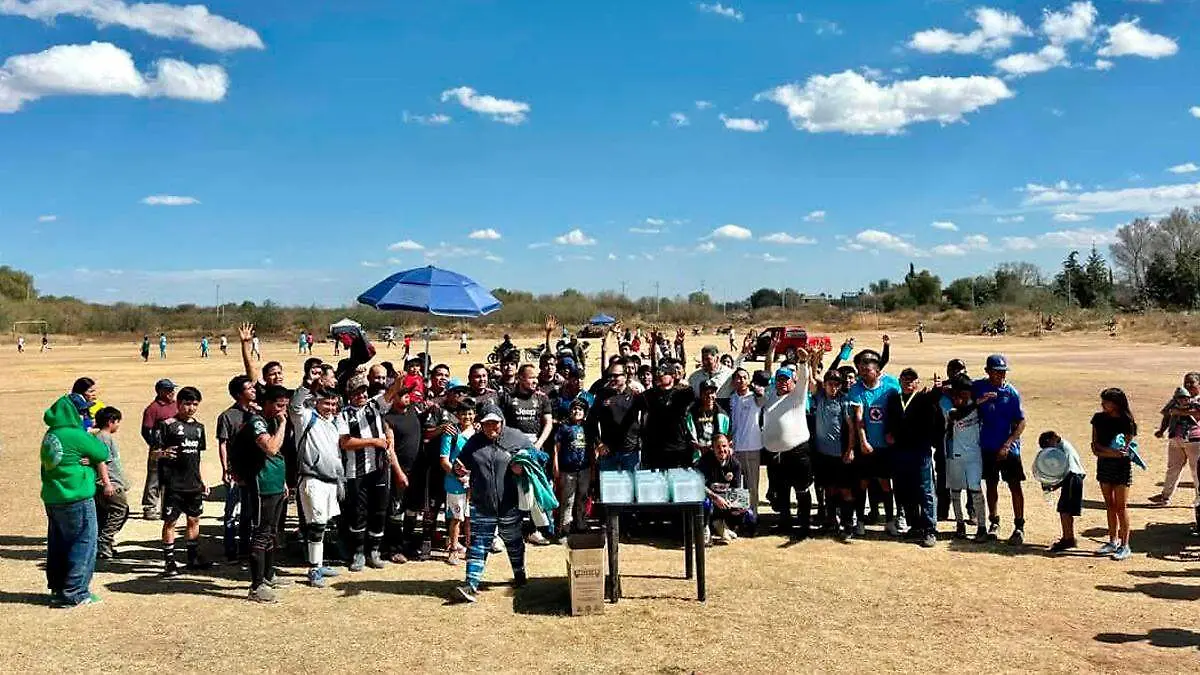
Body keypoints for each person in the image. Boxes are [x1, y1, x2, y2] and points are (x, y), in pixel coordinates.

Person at [452, 405, 530, 604]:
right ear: (482, 424)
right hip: (482, 503)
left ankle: (519, 574)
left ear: (502, 422)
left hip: (509, 504)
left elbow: (538, 459)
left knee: (513, 542)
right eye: (487, 423)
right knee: (478, 544)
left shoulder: (516, 437)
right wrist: (458, 470)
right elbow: (460, 464)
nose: (491, 427)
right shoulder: (474, 442)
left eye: (495, 423)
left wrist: (523, 468)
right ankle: (471, 584)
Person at [41, 394, 110, 607]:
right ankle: (76, 592)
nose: (86, 415)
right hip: (77, 496)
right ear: (74, 413)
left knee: (58, 545)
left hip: (53, 497)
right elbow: (102, 451)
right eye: (83, 412)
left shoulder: (50, 434)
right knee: (83, 542)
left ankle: (58, 589)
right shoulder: (76, 435)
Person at [232, 385, 292, 602]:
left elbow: (276, 457)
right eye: (278, 405)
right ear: (266, 403)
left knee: (272, 532)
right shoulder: (257, 422)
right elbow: (271, 448)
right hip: (261, 485)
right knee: (261, 533)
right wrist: (284, 423)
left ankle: (268, 575)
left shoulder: (273, 420)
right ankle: (256, 586)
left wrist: (283, 481)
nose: (282, 410)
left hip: (275, 483)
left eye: (285, 406)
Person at [338, 375, 399, 570]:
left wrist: (400, 380)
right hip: (356, 471)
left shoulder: (374, 406)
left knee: (380, 511)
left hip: (380, 469)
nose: (361, 395)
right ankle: (358, 553)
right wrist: (374, 442)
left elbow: (391, 394)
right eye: (357, 392)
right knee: (358, 512)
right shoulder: (344, 414)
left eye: (364, 391)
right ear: (350, 395)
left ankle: (374, 551)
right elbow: (345, 442)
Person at [290, 383, 344, 588]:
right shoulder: (306, 418)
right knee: (316, 524)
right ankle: (313, 569)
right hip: (312, 479)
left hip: (330, 480)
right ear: (316, 402)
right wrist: (307, 385)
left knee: (324, 524)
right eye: (326, 403)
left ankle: (319, 564)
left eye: (333, 404)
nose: (330, 407)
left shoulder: (333, 422)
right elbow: (295, 406)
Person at [156, 386, 211, 576]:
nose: (191, 408)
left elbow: (199, 457)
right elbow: (153, 453)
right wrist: (163, 453)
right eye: (187, 404)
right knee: (171, 522)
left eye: (195, 404)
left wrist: (203, 480)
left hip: (194, 484)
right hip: (173, 484)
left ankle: (193, 557)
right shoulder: (167, 425)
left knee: (194, 519)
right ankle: (169, 562)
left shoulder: (198, 428)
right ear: (179, 404)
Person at [884, 368, 942, 548]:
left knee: (925, 490)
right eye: (905, 379)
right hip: (900, 451)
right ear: (899, 381)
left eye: (912, 379)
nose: (908, 382)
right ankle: (914, 525)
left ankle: (929, 529)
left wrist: (937, 390)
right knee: (904, 490)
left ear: (917, 382)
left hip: (920, 451)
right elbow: (889, 420)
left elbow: (935, 406)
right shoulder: (894, 399)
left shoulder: (924, 399)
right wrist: (888, 433)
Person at [973, 354, 1027, 545]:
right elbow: (961, 390)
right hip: (987, 446)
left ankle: (1019, 526)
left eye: (1003, 372)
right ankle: (993, 522)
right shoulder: (979, 387)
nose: (1001, 375)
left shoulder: (1011, 393)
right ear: (987, 371)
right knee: (991, 484)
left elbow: (1021, 422)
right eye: (997, 372)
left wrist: (1008, 444)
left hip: (1009, 449)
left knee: (1015, 486)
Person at [847, 350, 902, 535]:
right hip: (866, 447)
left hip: (886, 447)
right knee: (862, 483)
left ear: (877, 371)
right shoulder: (856, 390)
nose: (863, 373)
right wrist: (863, 442)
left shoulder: (890, 386)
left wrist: (893, 434)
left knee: (886, 483)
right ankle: (860, 521)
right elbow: (859, 418)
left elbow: (898, 412)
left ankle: (890, 521)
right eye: (861, 369)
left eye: (867, 369)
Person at [761, 348, 813, 540]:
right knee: (781, 491)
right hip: (776, 454)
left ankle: (805, 525)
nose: (783, 383)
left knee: (801, 489)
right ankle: (784, 521)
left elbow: (805, 379)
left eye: (786, 380)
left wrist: (803, 362)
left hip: (797, 452)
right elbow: (766, 371)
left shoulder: (797, 396)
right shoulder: (771, 395)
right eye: (780, 380)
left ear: (793, 382)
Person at [1092, 388, 1137, 561]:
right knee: (1109, 504)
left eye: (1106, 401)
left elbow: (1125, 449)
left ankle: (1125, 544)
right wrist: (1111, 453)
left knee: (1121, 506)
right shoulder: (1098, 419)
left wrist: (1108, 452)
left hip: (1121, 469)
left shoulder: (1127, 421)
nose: (1103, 404)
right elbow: (1094, 446)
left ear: (1116, 403)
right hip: (1104, 465)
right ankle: (1112, 541)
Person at [811, 369, 856, 541]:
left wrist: (850, 449)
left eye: (837, 384)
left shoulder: (844, 402)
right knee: (828, 489)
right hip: (823, 454)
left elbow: (851, 428)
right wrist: (814, 358)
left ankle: (848, 524)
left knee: (845, 490)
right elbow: (813, 377)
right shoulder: (820, 398)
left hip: (840, 454)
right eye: (830, 384)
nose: (833, 388)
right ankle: (831, 521)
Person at [217, 375, 256, 563]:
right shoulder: (227, 416)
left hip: (253, 469)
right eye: (249, 388)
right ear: (239, 394)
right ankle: (230, 549)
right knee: (232, 512)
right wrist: (226, 469)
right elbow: (223, 444)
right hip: (235, 470)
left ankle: (245, 549)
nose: (254, 391)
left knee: (249, 512)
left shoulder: (256, 414)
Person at [945, 375, 988, 541]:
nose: (964, 395)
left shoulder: (977, 406)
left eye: (967, 392)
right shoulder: (952, 411)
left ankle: (982, 527)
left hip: (974, 456)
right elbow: (958, 415)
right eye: (960, 393)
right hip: (954, 456)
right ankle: (960, 524)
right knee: (955, 491)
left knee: (976, 489)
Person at [1149, 375, 1200, 508]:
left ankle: (1199, 499)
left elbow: (1196, 413)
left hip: (1195, 440)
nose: (1188, 385)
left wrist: (1178, 411)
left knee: (1196, 471)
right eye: (1186, 383)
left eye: (1192, 383)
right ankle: (1165, 496)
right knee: (1173, 469)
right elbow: (1167, 415)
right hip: (1176, 438)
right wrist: (1161, 430)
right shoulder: (1176, 399)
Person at [640, 359, 697, 471]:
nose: (660, 375)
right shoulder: (648, 395)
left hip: (678, 447)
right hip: (656, 449)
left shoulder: (684, 393)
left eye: (665, 372)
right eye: (659, 372)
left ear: (672, 375)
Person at [728, 367, 765, 531]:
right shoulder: (732, 398)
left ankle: (753, 517)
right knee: (738, 486)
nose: (741, 380)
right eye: (738, 378)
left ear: (749, 380)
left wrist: (759, 390)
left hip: (752, 447)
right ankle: (739, 517)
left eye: (744, 377)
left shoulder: (755, 397)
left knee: (752, 486)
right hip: (736, 448)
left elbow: (763, 399)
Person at [1038, 430, 1086, 553]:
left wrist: (1053, 485)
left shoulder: (1062, 448)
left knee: (1065, 510)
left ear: (1052, 439)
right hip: (1073, 478)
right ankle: (1068, 536)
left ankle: (1068, 538)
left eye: (1047, 446)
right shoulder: (1062, 447)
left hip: (1073, 478)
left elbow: (1067, 471)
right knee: (1065, 509)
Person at [440, 400, 476, 565]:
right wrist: (457, 475)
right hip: (455, 483)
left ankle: (470, 549)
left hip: (474, 483)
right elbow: (444, 460)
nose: (467, 417)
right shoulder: (451, 433)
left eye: (470, 413)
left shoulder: (478, 433)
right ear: (457, 415)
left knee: (470, 517)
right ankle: (453, 550)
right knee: (457, 517)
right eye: (463, 413)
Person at [589, 361, 641, 472]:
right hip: (608, 453)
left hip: (630, 452)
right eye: (610, 375)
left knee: (631, 487)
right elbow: (591, 421)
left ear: (625, 376)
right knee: (609, 488)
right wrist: (599, 443)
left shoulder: (635, 395)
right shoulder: (602, 395)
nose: (612, 378)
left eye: (616, 375)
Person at [94, 407, 129, 560]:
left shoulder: (99, 437)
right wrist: (107, 483)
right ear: (110, 422)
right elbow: (102, 461)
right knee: (120, 512)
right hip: (111, 484)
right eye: (117, 422)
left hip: (108, 483)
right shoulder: (103, 438)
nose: (118, 425)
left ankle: (103, 544)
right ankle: (104, 541)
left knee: (104, 516)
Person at [140, 378, 178, 520]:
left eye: (172, 389)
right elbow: (145, 430)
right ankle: (149, 507)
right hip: (159, 448)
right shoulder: (153, 408)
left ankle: (168, 506)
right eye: (169, 390)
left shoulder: (176, 405)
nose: (172, 392)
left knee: (171, 476)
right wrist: (154, 446)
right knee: (154, 478)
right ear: (160, 391)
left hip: (174, 447)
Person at [698, 433, 745, 546]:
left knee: (748, 515)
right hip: (710, 499)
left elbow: (737, 490)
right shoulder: (704, 461)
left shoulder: (735, 464)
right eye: (718, 447)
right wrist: (715, 498)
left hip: (725, 500)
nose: (721, 450)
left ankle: (723, 526)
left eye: (724, 446)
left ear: (729, 446)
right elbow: (699, 486)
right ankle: (706, 529)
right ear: (712, 448)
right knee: (705, 503)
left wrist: (740, 504)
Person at [554, 399, 591, 536]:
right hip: (567, 470)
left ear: (584, 413)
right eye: (574, 409)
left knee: (582, 497)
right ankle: (564, 527)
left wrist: (592, 469)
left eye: (580, 410)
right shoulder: (564, 427)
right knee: (567, 499)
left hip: (584, 468)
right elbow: (556, 449)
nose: (577, 412)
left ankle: (581, 523)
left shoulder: (587, 427)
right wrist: (556, 467)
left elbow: (593, 449)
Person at [687, 380, 730, 463]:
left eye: (712, 393)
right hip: (696, 456)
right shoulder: (692, 413)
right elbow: (688, 435)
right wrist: (699, 447)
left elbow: (726, 436)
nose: (709, 396)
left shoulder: (723, 415)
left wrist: (713, 447)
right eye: (706, 393)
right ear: (701, 395)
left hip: (716, 456)